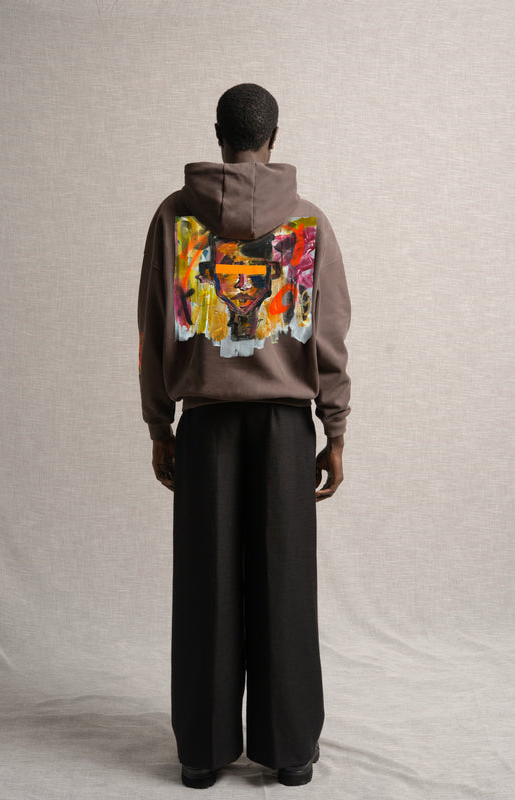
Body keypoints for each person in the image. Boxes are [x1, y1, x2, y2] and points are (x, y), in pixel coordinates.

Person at [137, 83, 351, 789]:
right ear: (273, 137)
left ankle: (202, 752)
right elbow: (327, 337)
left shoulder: (174, 218)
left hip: (204, 425)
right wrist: (334, 428)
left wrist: (159, 424)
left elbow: (153, 328)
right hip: (286, 427)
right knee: (284, 585)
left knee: (207, 585)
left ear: (218, 134)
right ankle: (289, 752)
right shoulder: (308, 223)